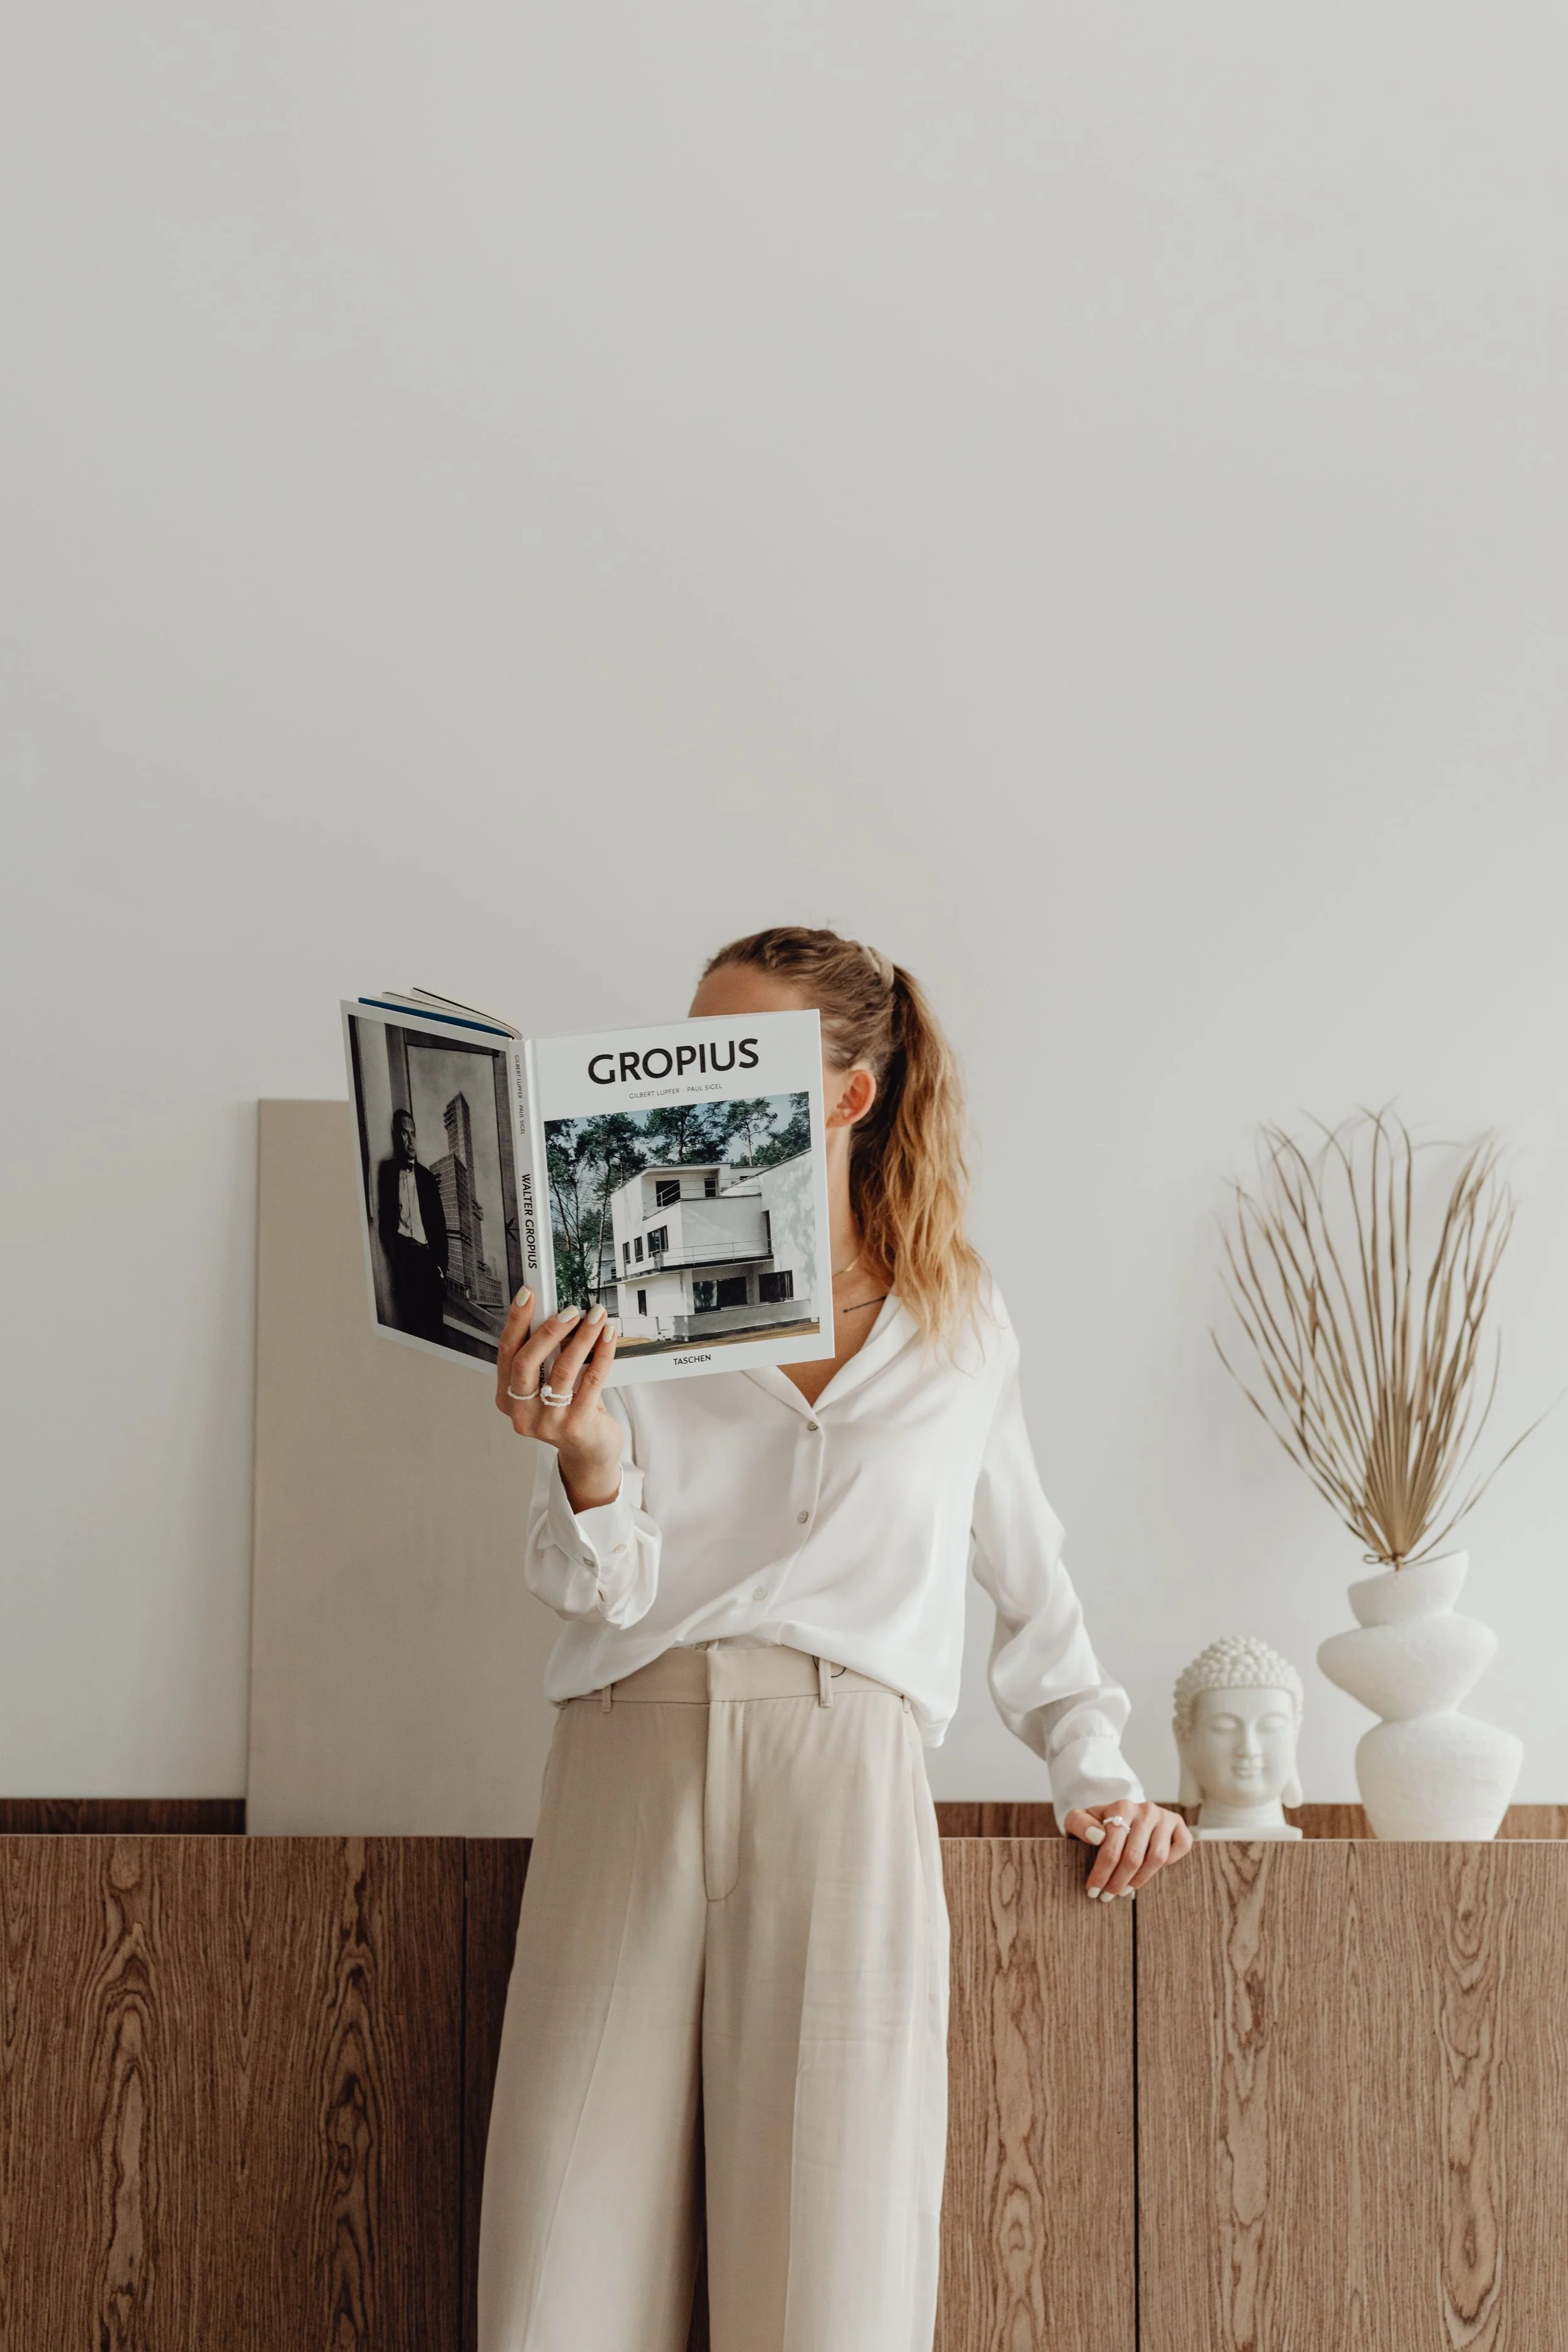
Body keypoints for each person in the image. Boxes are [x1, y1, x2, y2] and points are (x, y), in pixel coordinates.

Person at [477, 926, 1192, 2352]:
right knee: (559, 2277)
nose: (692, 1082)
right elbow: (599, 1587)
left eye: (733, 1055)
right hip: (630, 1759)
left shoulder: (955, 1321)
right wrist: (589, 1457)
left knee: (833, 2282)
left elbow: (1026, 1567)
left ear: (848, 1095)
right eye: (683, 1052)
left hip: (847, 1772)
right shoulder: (622, 1292)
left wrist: (1098, 1772)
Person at [375, 1107, 448, 1342]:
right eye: (405, 1133)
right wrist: (397, 1262)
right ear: (397, 1136)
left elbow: (440, 1226)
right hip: (405, 1260)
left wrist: (441, 1269)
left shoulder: (427, 1178)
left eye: (413, 1133)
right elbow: (386, 1224)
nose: (410, 1140)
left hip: (428, 1262)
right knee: (412, 1332)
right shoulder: (387, 1172)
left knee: (435, 1333)